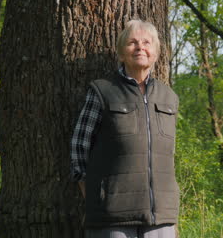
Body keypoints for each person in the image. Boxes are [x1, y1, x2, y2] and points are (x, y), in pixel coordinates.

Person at [70, 20, 179, 238]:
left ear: (156, 53)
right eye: (132, 42)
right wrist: (94, 195)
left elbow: (169, 154)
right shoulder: (102, 91)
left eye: (147, 43)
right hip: (112, 217)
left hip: (162, 219)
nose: (140, 47)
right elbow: (79, 147)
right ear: (121, 53)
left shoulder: (169, 97)